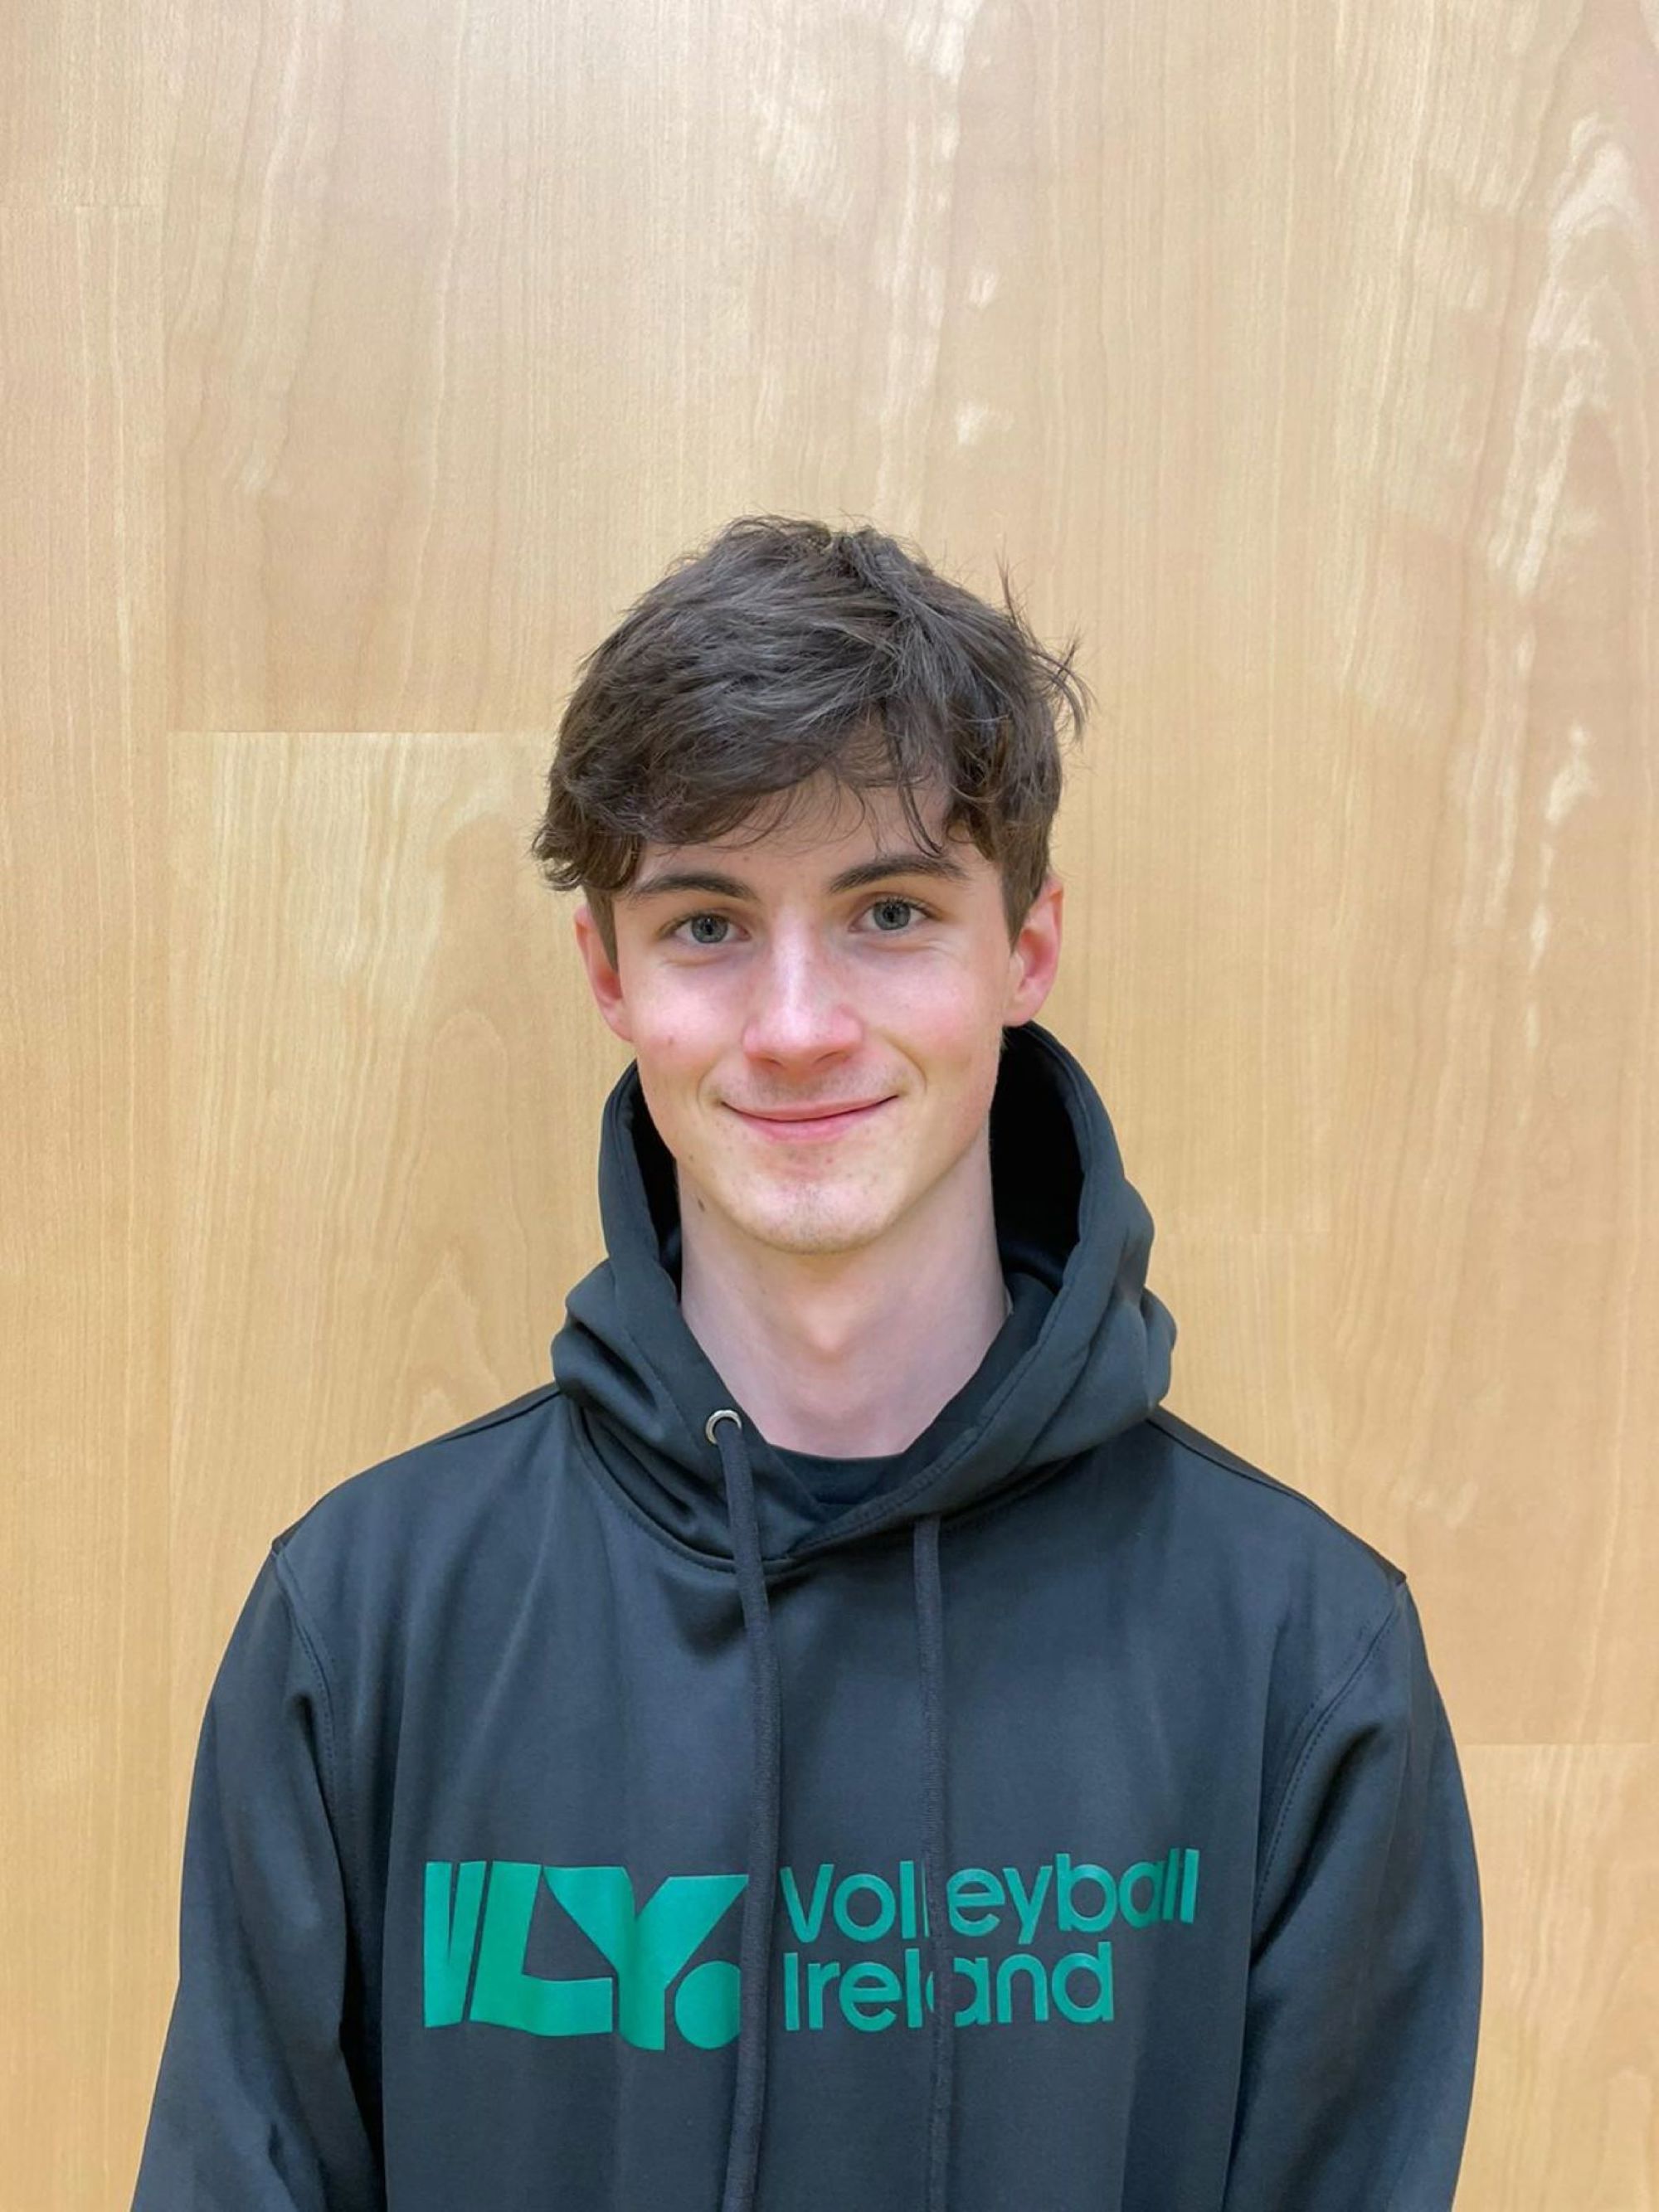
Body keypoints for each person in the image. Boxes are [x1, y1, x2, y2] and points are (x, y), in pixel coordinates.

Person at [131, 514, 1482, 2211]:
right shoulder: (366, 1622)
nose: (794, 1025)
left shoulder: (1301, 1658)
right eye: (706, 923)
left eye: (888, 910)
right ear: (608, 973)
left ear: (1027, 948)